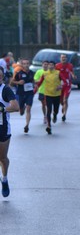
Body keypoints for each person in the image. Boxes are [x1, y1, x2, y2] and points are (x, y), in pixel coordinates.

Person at [0, 69, 19, 197]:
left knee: (2, 158)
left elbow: (16, 107)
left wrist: (2, 108)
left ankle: (5, 179)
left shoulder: (5, 90)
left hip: (2, 128)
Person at [36, 61, 62, 135]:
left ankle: (55, 114)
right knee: (48, 110)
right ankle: (49, 126)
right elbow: (40, 83)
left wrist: (61, 86)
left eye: (52, 65)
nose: (50, 66)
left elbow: (64, 81)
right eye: (49, 65)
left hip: (56, 94)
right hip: (47, 94)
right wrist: (34, 90)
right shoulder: (45, 74)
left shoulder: (58, 73)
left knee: (55, 110)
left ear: (54, 66)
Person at [10, 58, 35, 133]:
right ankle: (22, 108)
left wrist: (35, 84)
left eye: (27, 63)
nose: (26, 65)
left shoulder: (32, 73)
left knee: (28, 109)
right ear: (22, 65)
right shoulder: (19, 73)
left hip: (29, 93)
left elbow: (34, 81)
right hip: (20, 93)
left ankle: (27, 125)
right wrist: (18, 82)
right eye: (24, 64)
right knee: (21, 111)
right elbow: (11, 83)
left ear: (29, 64)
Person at [55, 54, 74, 122]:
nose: (64, 59)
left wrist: (73, 75)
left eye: (65, 57)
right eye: (62, 57)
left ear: (66, 58)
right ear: (60, 58)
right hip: (60, 85)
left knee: (65, 99)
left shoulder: (70, 65)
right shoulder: (57, 66)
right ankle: (63, 106)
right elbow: (55, 74)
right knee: (61, 101)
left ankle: (64, 115)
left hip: (67, 84)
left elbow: (71, 72)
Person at [33, 61, 48, 125]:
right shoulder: (39, 71)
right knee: (43, 104)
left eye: (47, 64)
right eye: (44, 64)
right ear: (42, 65)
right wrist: (41, 80)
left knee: (48, 105)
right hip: (41, 90)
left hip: (50, 91)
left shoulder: (50, 72)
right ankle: (45, 116)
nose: (45, 65)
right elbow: (35, 80)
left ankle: (48, 116)